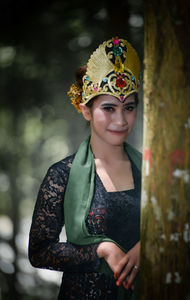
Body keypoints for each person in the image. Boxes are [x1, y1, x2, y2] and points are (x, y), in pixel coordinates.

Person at [28, 37, 142, 300]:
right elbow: (40, 252)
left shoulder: (150, 172)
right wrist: (101, 250)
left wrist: (147, 247)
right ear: (86, 111)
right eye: (109, 108)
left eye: (129, 108)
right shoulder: (62, 174)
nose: (121, 120)